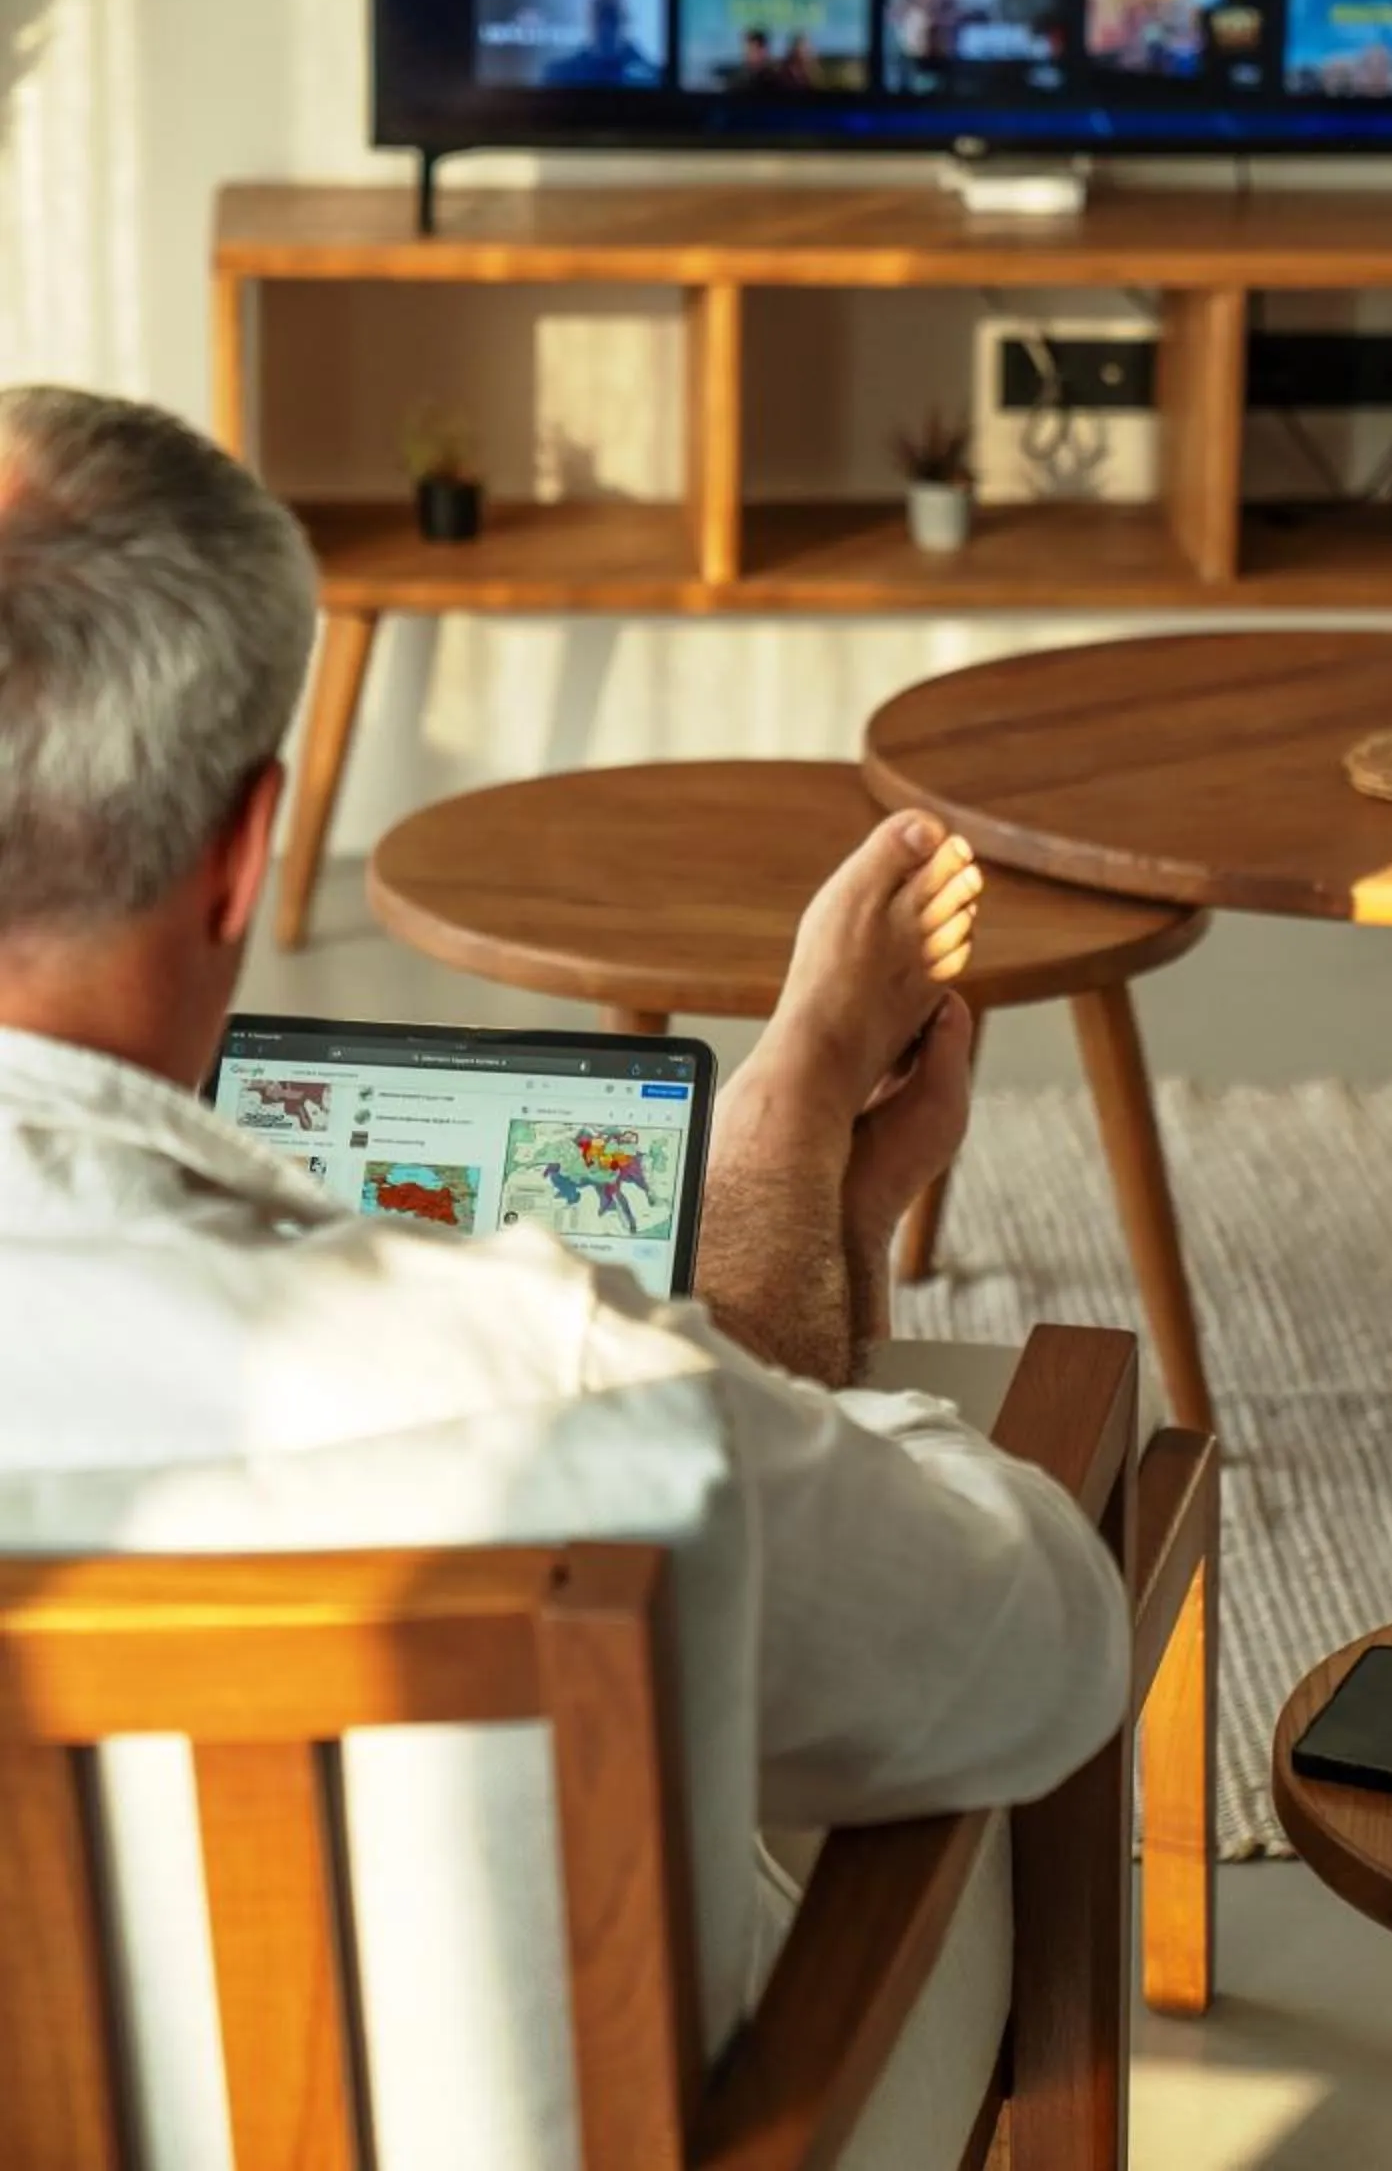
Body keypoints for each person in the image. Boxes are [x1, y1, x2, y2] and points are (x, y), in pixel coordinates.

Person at [0, 384, 1130, 2171]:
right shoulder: (543, 1394)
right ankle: (778, 1156)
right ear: (246, 854)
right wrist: (826, 1345)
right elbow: (1038, 1660)